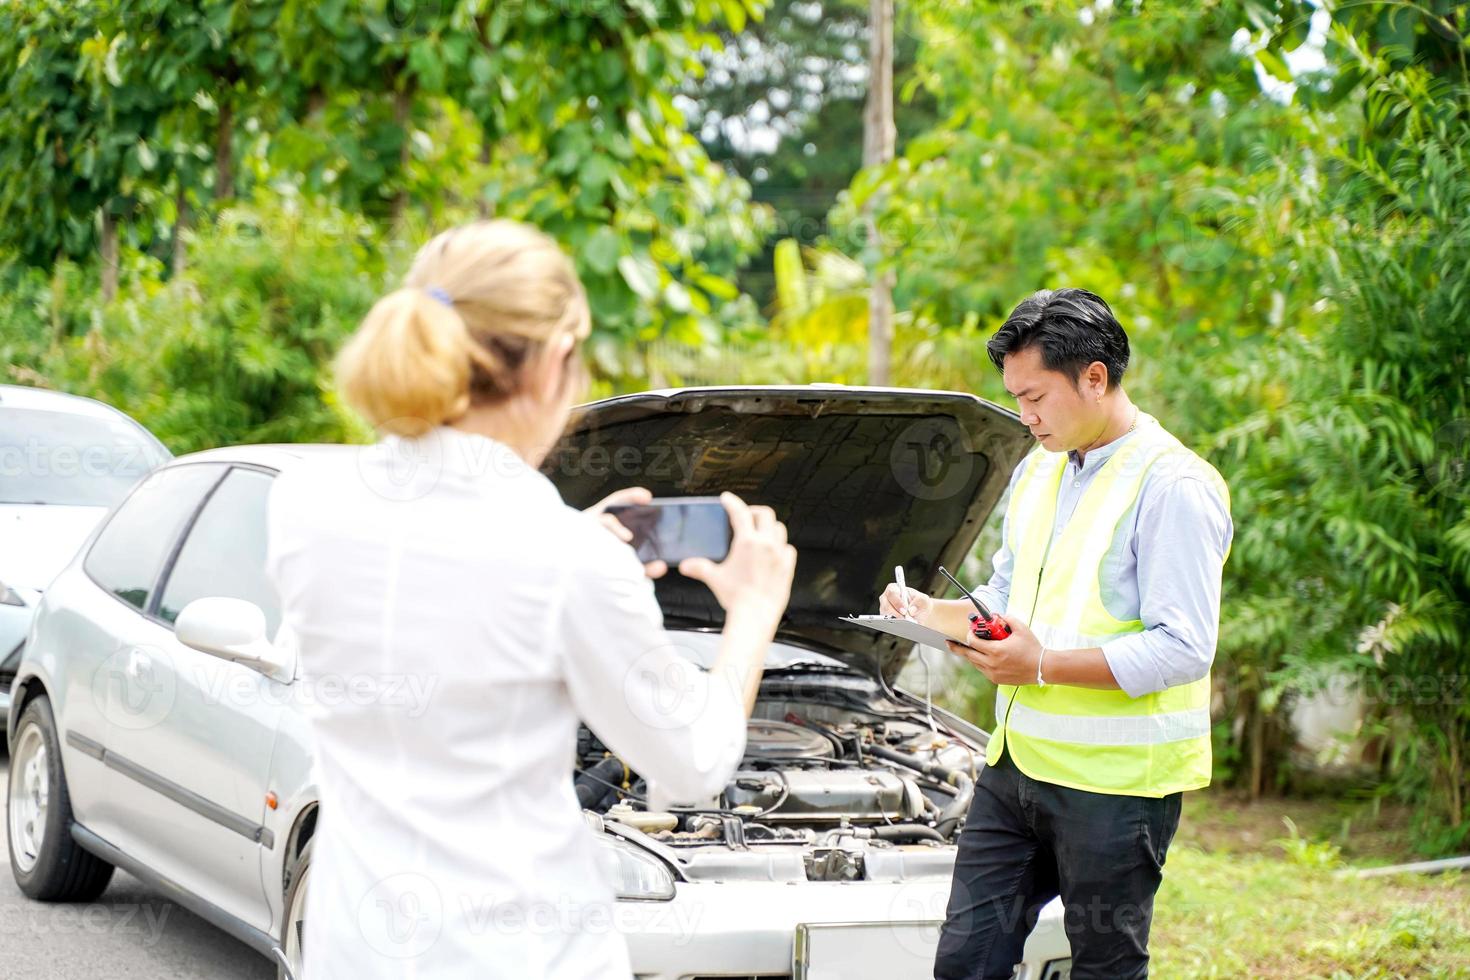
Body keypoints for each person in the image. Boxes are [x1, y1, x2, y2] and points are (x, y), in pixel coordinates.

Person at [265, 219, 797, 978]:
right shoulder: (564, 560)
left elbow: (438, 592)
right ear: (553, 361)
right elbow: (693, 763)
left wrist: (575, 546)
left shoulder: (302, 507)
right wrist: (751, 612)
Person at [880, 288, 1232, 980]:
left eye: (1036, 396)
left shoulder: (1175, 487)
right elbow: (1005, 601)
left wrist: (1040, 666)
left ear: (1094, 378)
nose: (1024, 415)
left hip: (1116, 791)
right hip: (1015, 773)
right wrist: (925, 612)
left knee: (1102, 967)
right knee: (964, 964)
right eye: (1015, 397)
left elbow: (1184, 646)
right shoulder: (1036, 470)